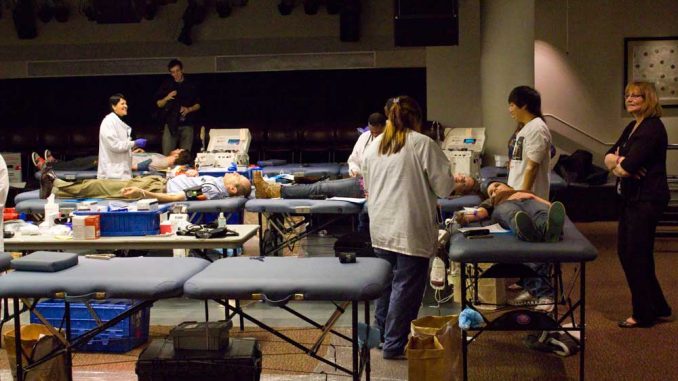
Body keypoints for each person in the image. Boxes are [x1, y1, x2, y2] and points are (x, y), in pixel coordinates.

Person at [362, 95, 455, 360]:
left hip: (381, 226)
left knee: (387, 286)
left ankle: (383, 338)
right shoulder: (422, 144)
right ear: (416, 118)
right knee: (405, 289)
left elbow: (368, 186)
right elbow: (445, 188)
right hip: (410, 227)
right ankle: (394, 344)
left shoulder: (374, 146)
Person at [604, 81, 671, 328]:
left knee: (636, 255)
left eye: (637, 96)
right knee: (629, 252)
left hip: (648, 199)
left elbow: (626, 168)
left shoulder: (652, 128)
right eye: (627, 95)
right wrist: (619, 161)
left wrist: (620, 163)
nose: (630, 99)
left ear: (649, 99)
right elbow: (608, 156)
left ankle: (644, 313)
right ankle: (658, 305)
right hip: (632, 199)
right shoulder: (633, 126)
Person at [41, 169, 251, 203]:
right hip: (159, 181)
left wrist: (142, 193)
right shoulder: (214, 183)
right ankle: (57, 185)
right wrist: (190, 173)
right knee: (104, 184)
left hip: (156, 189)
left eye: (237, 176)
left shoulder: (211, 190)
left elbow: (178, 198)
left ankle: (56, 187)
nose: (234, 173)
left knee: (101, 187)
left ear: (232, 189)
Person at [457, 182, 566, 243]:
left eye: (497, 186)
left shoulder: (524, 192)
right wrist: (466, 217)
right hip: (504, 206)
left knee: (540, 211)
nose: (495, 190)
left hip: (529, 201)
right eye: (491, 192)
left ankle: (549, 230)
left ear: (509, 186)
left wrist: (550, 207)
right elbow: (481, 212)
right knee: (513, 213)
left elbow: (546, 204)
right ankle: (526, 232)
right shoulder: (493, 200)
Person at [252, 171, 477, 200]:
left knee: (321, 189)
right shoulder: (437, 178)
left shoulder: (441, 191)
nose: (460, 177)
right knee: (324, 184)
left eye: (464, 182)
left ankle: (276, 191)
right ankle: (276, 188)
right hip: (367, 180)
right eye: (463, 175)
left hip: (368, 189)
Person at [506, 86, 552, 200]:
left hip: (528, 198)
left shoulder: (537, 128)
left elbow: (532, 167)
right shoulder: (526, 128)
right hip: (517, 191)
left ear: (524, 105)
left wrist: (523, 196)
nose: (509, 109)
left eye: (512, 105)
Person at [154, 59, 201, 155]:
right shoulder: (166, 84)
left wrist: (188, 109)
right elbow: (159, 104)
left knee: (185, 155)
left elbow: (198, 104)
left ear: (182, 70)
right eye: (173, 72)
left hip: (187, 123)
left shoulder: (191, 84)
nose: (176, 74)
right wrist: (167, 97)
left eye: (177, 71)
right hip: (171, 123)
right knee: (167, 154)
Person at [98, 94, 147, 180]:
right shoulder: (108, 122)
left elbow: (123, 145)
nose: (126, 106)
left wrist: (134, 146)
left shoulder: (118, 122)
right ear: (114, 106)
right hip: (112, 174)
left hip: (120, 172)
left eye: (126, 104)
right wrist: (134, 143)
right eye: (122, 104)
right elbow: (114, 145)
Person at [32, 149, 192, 172]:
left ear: (178, 155)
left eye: (179, 149)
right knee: (82, 160)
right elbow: (145, 159)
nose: (176, 148)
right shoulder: (163, 158)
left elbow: (139, 167)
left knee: (81, 165)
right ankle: (55, 162)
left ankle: (48, 166)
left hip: (115, 163)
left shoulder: (165, 162)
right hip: (119, 158)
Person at [347, 113, 387, 178]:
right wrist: (355, 170)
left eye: (377, 133)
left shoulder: (391, 141)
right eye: (372, 132)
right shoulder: (363, 137)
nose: (374, 135)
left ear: (384, 128)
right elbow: (353, 160)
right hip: (364, 179)